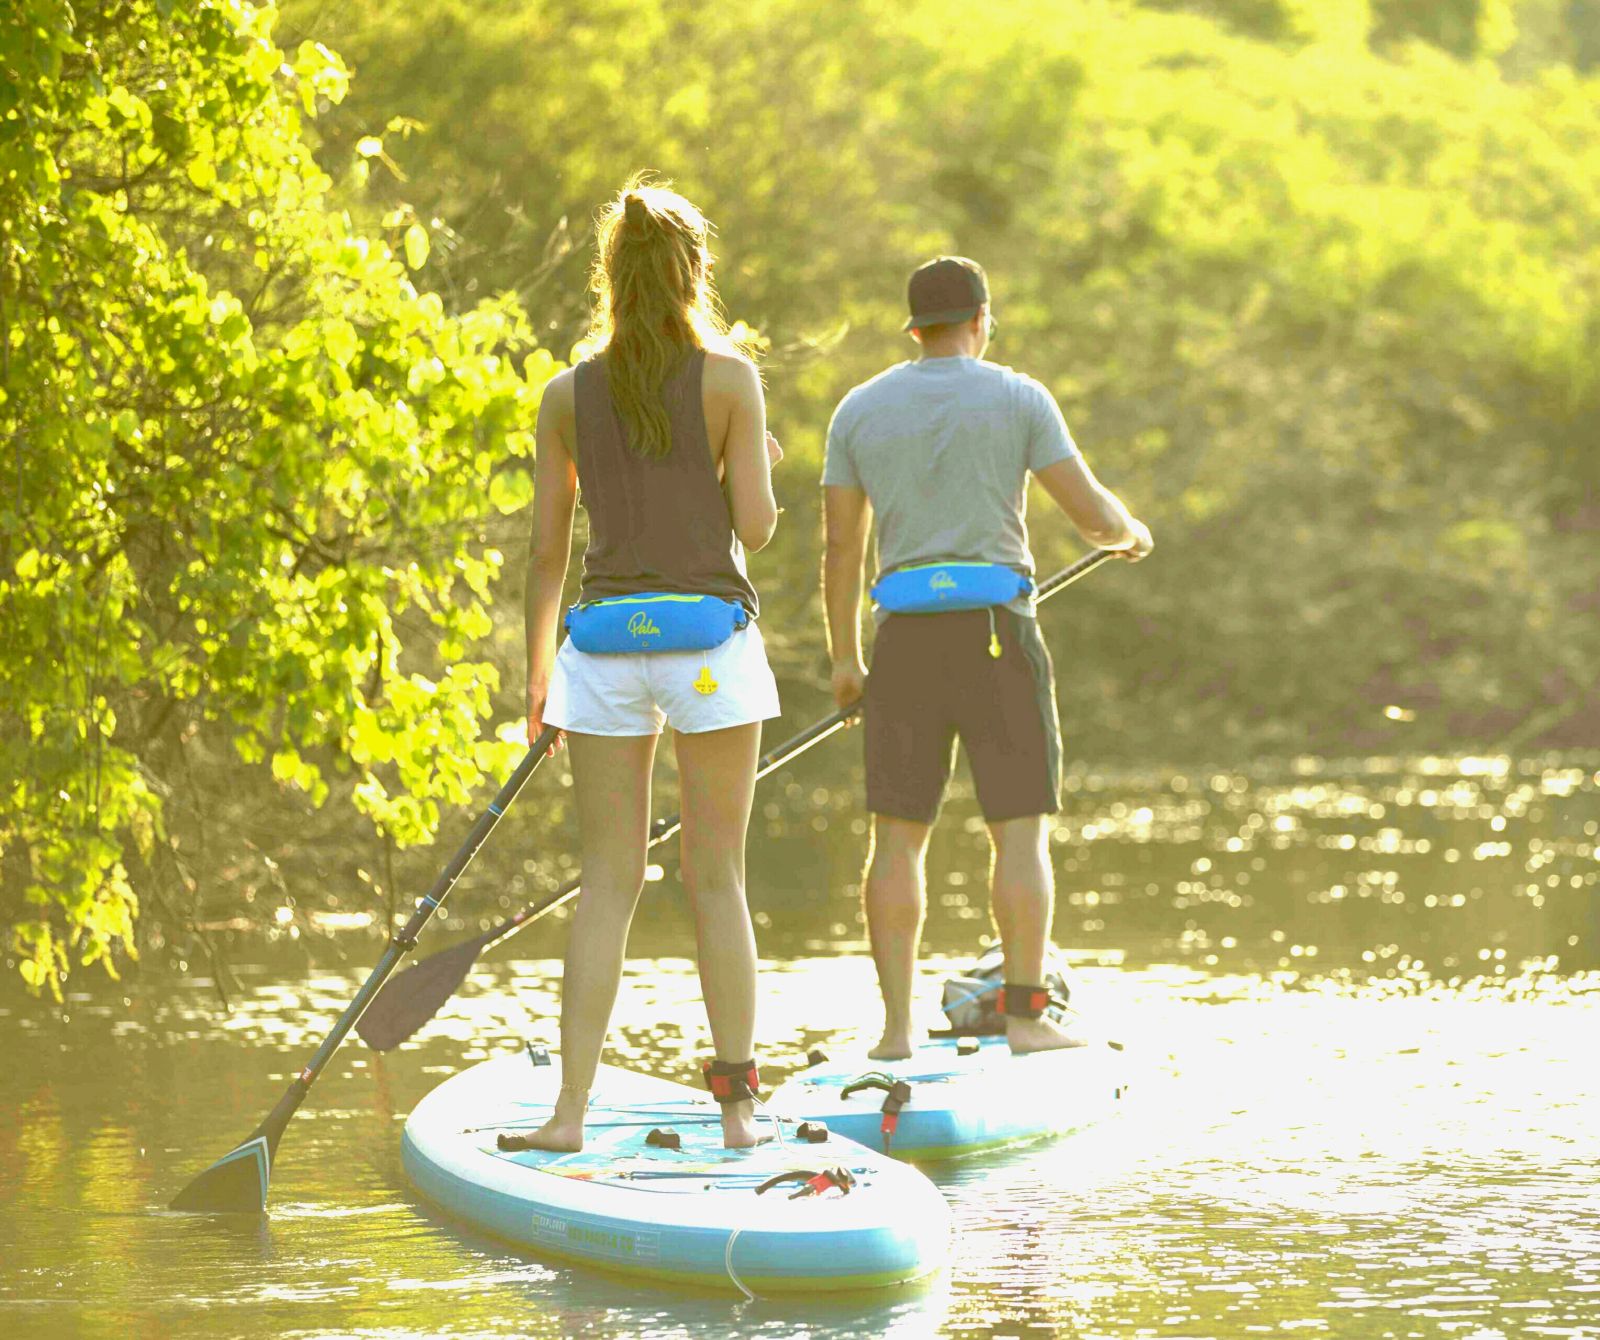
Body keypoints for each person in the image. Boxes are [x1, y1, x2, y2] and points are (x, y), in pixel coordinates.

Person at [821, 255, 1153, 1060]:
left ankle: (897, 1031)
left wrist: (845, 660)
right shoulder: (1017, 396)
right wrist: (1130, 534)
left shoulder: (858, 409)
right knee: (1020, 836)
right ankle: (1026, 1020)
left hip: (900, 640)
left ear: (914, 329)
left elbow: (839, 549)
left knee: (895, 839)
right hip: (996, 633)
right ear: (982, 319)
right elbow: (1090, 514)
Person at [523, 176, 782, 1150]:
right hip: (709, 649)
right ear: (692, 273)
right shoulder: (729, 379)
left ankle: (568, 1114)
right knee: (715, 876)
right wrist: (749, 466)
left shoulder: (563, 395)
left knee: (607, 879)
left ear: (611, 276)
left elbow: (548, 552)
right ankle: (738, 1112)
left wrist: (536, 677)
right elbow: (754, 524)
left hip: (597, 650)